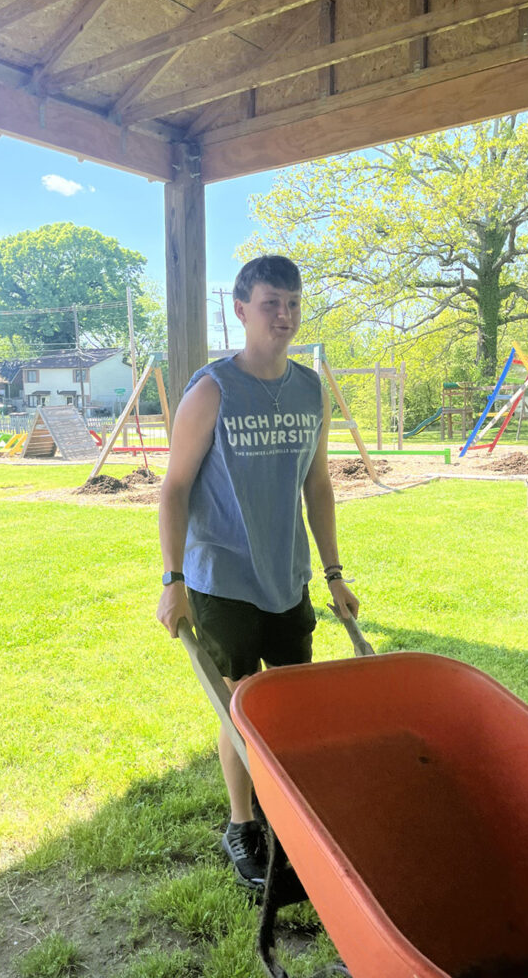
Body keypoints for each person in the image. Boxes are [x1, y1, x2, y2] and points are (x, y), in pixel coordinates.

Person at [156, 254, 359, 890]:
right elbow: (174, 488)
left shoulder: (309, 389)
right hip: (221, 580)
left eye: (293, 303)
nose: (285, 315)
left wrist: (333, 573)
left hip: (287, 577)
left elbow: (319, 487)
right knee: (241, 704)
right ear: (241, 311)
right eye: (271, 303)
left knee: (292, 706)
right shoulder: (213, 388)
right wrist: (173, 579)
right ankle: (243, 825)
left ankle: (290, 818)